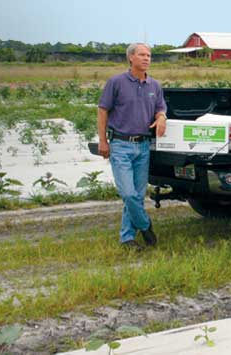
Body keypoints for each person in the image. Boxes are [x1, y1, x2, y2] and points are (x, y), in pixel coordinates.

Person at [97, 42, 167, 250]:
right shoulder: (116, 82)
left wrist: (162, 117)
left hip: (143, 146)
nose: (146, 58)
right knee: (128, 193)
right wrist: (102, 140)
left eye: (149, 55)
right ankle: (145, 225)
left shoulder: (154, 86)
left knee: (137, 195)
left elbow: (160, 108)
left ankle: (127, 238)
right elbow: (102, 110)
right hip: (120, 145)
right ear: (131, 58)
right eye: (142, 55)